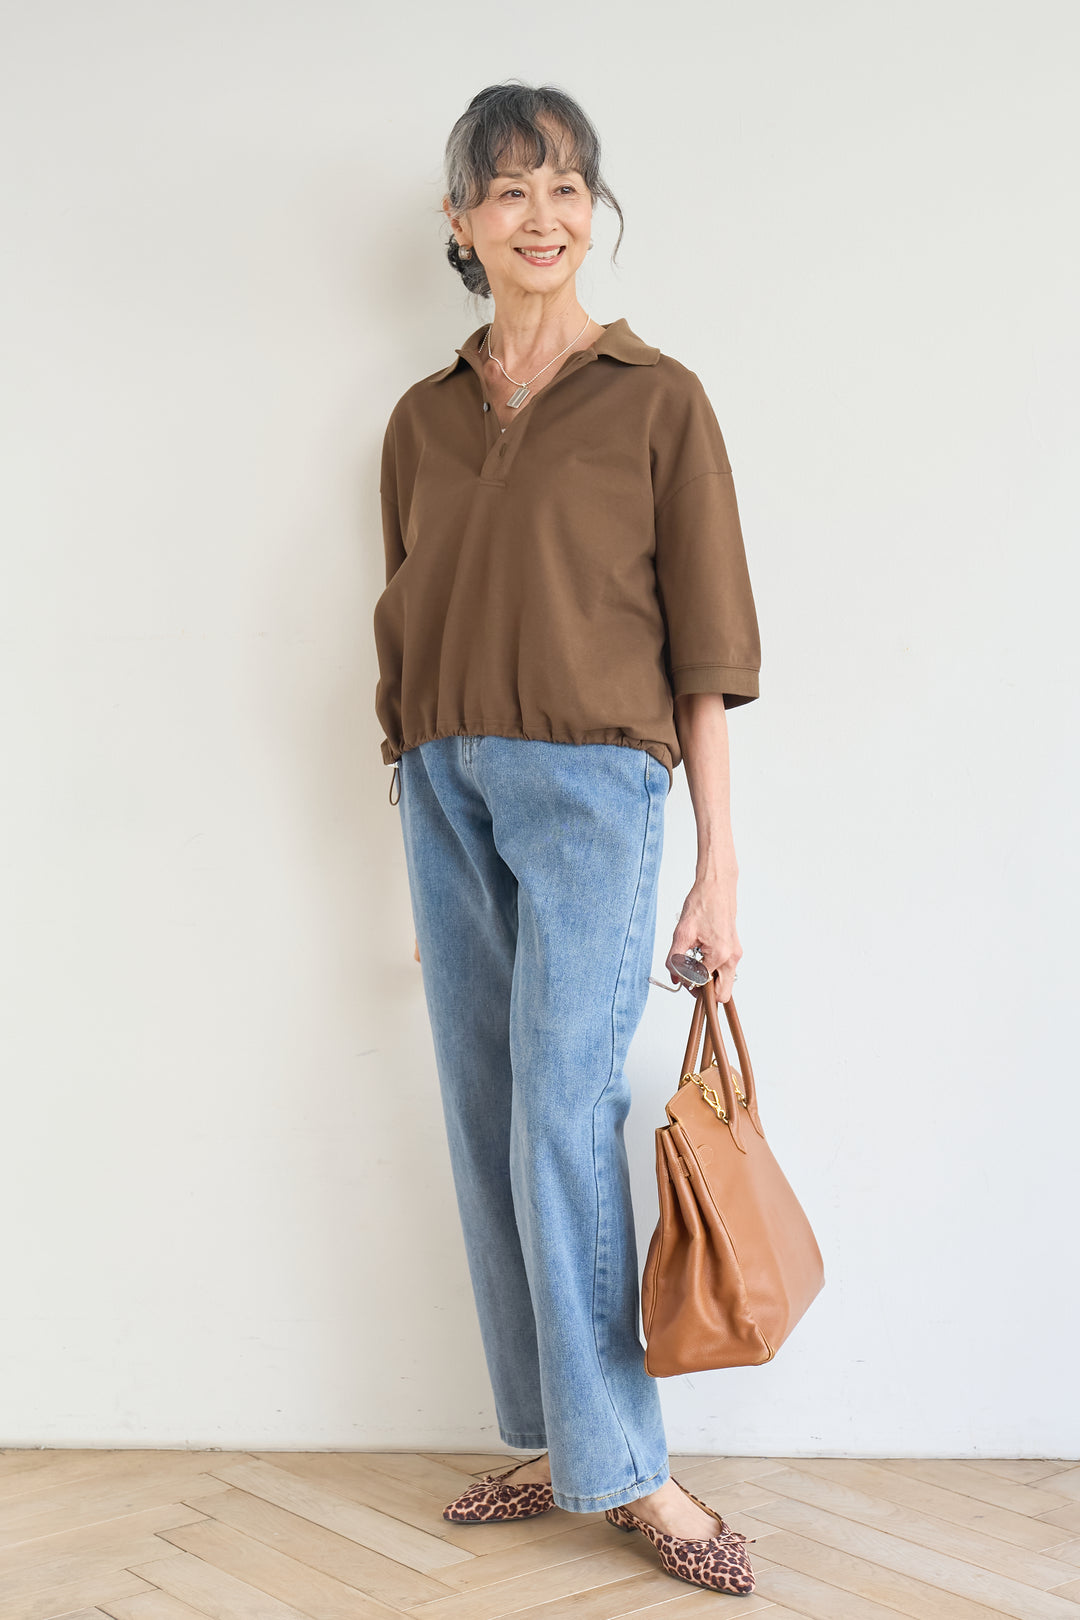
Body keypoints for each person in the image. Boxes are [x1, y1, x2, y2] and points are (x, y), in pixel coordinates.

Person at [372, 81, 760, 1598]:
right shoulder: (421, 419)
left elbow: (706, 652)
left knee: (560, 1109)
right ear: (461, 222)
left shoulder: (657, 400)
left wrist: (719, 867)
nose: (543, 215)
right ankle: (560, 1439)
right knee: (489, 1115)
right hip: (442, 787)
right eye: (509, 189)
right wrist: (417, 837)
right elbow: (405, 620)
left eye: (567, 185)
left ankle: (632, 1470)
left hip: (596, 787)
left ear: (593, 210)